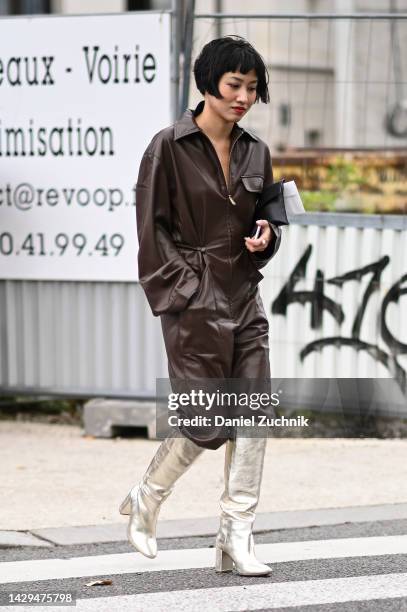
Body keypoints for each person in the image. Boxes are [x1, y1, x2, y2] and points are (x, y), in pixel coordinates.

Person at [119, 36, 282, 577]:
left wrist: (266, 238)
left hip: (244, 296)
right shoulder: (167, 146)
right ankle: (147, 495)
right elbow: (151, 231)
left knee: (253, 416)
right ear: (207, 84)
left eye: (252, 88)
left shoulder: (256, 151)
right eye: (234, 85)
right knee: (206, 419)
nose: (243, 97)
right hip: (194, 300)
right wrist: (185, 293)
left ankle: (236, 533)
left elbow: (265, 219)